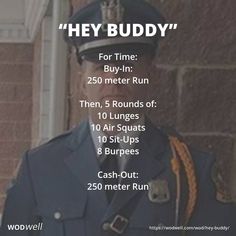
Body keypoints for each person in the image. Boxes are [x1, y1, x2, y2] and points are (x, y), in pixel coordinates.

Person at [1, 0, 235, 235]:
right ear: (83, 83)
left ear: (151, 77)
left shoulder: (193, 172)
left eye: (126, 64)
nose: (114, 79)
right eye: (101, 67)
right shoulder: (40, 168)